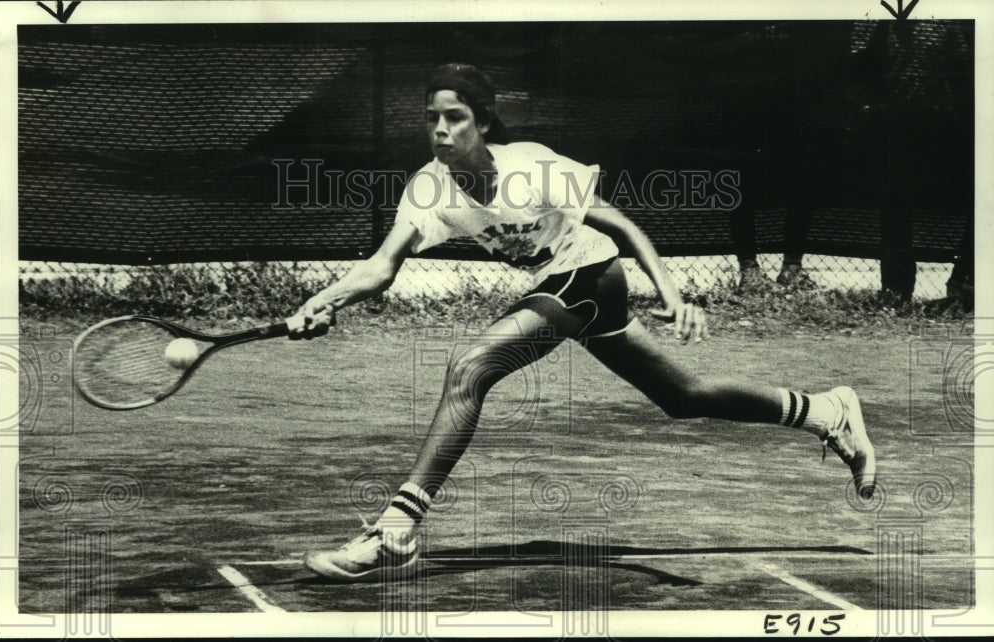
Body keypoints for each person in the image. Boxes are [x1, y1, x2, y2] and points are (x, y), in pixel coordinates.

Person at [292, 64, 876, 582]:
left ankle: (396, 529)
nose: (441, 130)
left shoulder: (532, 167)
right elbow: (382, 266)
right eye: (432, 119)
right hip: (562, 286)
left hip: (591, 274)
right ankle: (825, 410)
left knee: (471, 368)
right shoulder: (429, 188)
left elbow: (623, 227)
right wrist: (325, 300)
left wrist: (671, 293)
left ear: (484, 122)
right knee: (683, 395)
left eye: (455, 117)